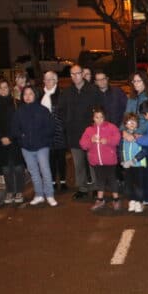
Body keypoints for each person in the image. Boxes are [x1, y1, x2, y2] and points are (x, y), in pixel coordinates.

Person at [59, 65, 102, 200]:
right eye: (72, 74)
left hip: (90, 133)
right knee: (78, 163)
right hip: (74, 133)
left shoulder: (92, 90)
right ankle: (82, 188)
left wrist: (96, 127)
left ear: (82, 74)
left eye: (77, 73)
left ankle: (96, 187)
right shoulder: (66, 92)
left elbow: (99, 109)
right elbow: (61, 110)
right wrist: (67, 123)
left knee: (92, 162)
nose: (75, 76)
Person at [12, 86, 56, 206]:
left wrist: (43, 138)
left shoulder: (43, 110)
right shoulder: (19, 111)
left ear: (35, 95)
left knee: (45, 170)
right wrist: (21, 138)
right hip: (26, 147)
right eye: (25, 94)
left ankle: (50, 195)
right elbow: (15, 129)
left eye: (30, 93)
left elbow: (51, 127)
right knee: (34, 172)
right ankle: (39, 194)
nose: (27, 96)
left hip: (42, 146)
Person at [0, 79, 25, 204]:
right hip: (1, 142)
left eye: (5, 87)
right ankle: (10, 191)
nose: (3, 90)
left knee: (18, 167)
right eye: (1, 88)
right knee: (6, 169)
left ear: (10, 89)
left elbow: (20, 123)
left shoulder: (18, 104)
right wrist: (1, 137)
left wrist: (11, 137)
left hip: (15, 140)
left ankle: (19, 190)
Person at [80, 107, 122, 212]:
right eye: (96, 117)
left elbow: (117, 139)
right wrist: (91, 140)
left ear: (105, 117)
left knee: (112, 180)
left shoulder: (111, 127)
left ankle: (116, 199)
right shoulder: (89, 130)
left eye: (101, 117)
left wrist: (107, 141)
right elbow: (83, 144)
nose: (99, 120)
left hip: (110, 160)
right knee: (100, 180)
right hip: (96, 161)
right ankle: (100, 199)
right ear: (93, 118)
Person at [39, 71, 67, 191]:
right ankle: (52, 182)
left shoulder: (61, 94)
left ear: (56, 81)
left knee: (60, 157)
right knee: (49, 157)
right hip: (45, 132)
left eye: (50, 79)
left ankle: (63, 181)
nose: (47, 81)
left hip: (59, 130)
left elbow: (65, 113)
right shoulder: (40, 94)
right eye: (46, 79)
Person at [119, 113, 147, 213]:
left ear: (137, 124)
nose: (131, 123)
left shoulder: (140, 136)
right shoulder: (123, 136)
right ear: (125, 124)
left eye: (134, 121)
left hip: (138, 165)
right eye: (129, 121)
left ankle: (139, 202)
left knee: (139, 185)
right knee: (128, 185)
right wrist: (122, 161)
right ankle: (132, 200)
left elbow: (144, 150)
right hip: (127, 165)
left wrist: (134, 160)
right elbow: (120, 150)